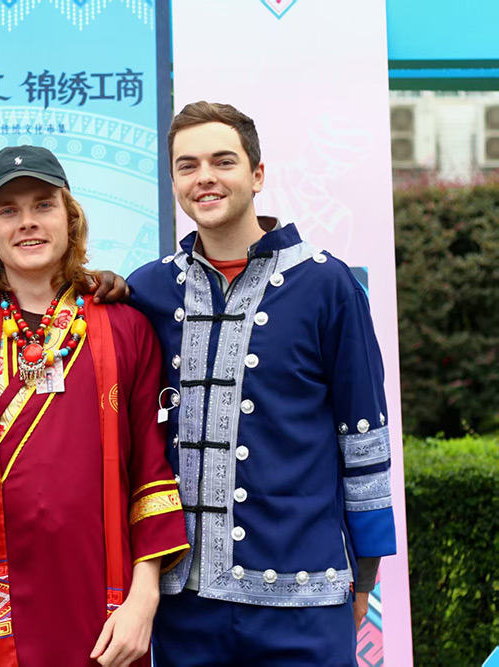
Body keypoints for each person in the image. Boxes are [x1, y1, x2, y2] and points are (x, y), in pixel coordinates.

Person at [127, 101, 397, 666]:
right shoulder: (148, 291)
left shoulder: (327, 285)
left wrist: (364, 578)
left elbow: (364, 439)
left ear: (257, 174)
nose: (205, 177)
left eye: (222, 161)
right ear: (173, 180)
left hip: (307, 598)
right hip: (185, 604)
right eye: (187, 165)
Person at [0, 146, 189, 667]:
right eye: (7, 210)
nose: (27, 223)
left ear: (70, 217)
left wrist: (144, 598)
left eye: (43, 205)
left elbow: (152, 470)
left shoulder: (126, 327)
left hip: (104, 611)